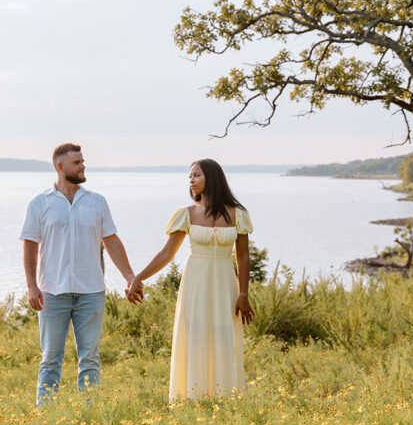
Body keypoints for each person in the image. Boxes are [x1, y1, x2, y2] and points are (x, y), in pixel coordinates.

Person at [20, 143, 138, 405]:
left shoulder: (97, 202)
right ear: (61, 167)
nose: (83, 166)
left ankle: (89, 413)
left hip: (91, 292)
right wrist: (31, 286)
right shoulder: (40, 204)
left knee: (90, 358)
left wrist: (130, 277)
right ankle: (45, 413)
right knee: (50, 357)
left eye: (83, 161)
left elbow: (112, 241)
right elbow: (29, 246)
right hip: (52, 293)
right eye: (77, 163)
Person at [127, 159, 254, 402]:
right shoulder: (186, 214)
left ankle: (225, 398)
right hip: (196, 283)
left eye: (196, 175)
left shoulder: (238, 214)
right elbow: (166, 254)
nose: (191, 180)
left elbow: (243, 255)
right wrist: (138, 278)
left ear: (212, 178)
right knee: (196, 338)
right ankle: (193, 398)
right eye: (190, 176)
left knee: (224, 338)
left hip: (226, 284)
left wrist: (243, 293)